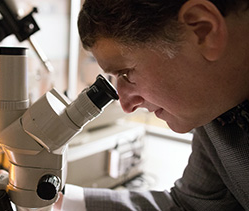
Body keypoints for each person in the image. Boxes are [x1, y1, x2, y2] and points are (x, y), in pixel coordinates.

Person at [57, 0, 249, 210]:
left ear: (203, 30)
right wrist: (59, 202)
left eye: (126, 73)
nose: (126, 105)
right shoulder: (215, 109)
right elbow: (191, 206)